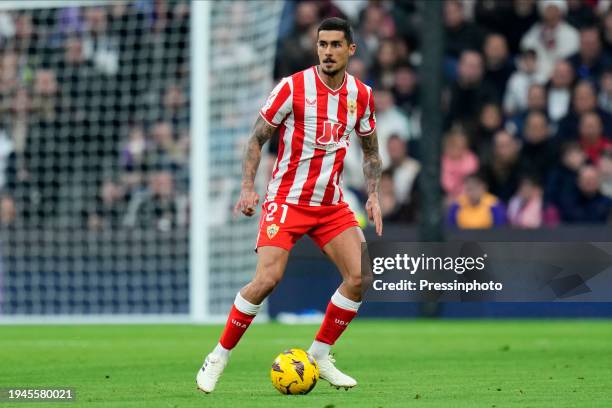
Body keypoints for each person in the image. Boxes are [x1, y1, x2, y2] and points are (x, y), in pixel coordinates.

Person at [196, 18, 382, 393]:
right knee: (267, 279)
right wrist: (248, 188)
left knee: (361, 276)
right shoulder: (292, 88)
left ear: (351, 50)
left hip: (330, 203)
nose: (327, 51)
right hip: (287, 200)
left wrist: (374, 193)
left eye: (334, 45)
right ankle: (218, 355)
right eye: (322, 44)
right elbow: (255, 139)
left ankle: (319, 355)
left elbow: (371, 151)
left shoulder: (361, 95)